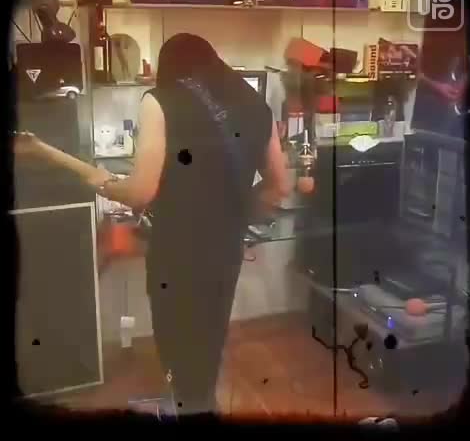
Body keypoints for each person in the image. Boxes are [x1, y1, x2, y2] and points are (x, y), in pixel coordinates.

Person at [14, 33, 290, 417]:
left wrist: (106, 183)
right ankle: (198, 402)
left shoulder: (160, 101)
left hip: (175, 252)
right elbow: (279, 186)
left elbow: (141, 192)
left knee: (177, 342)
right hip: (226, 250)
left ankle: (187, 404)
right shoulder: (257, 107)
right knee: (209, 340)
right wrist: (237, 214)